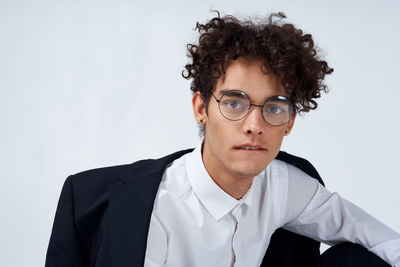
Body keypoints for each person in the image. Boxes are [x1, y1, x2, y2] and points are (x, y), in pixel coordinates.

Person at [45, 11, 400, 267]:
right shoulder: (158, 211)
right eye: (234, 103)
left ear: (289, 123)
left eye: (274, 108)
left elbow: (384, 243)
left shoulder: (286, 186)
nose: (254, 124)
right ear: (201, 108)